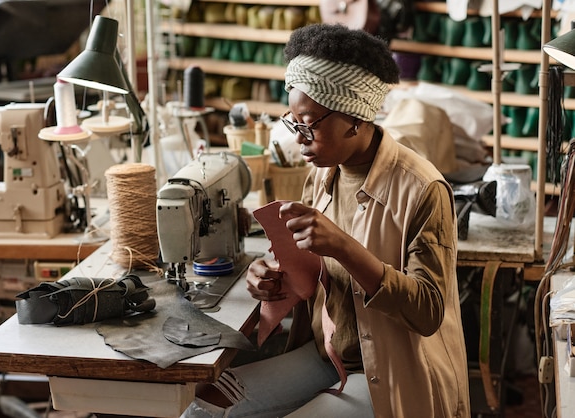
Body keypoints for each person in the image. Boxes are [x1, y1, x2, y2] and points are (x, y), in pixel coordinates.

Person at [182, 23, 470, 418]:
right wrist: (272, 276)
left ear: (353, 118)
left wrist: (343, 246)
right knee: (203, 409)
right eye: (293, 121)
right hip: (327, 354)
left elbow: (428, 311)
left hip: (390, 369)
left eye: (310, 123)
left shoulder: (423, 190)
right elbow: (312, 267)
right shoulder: (323, 173)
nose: (299, 137)